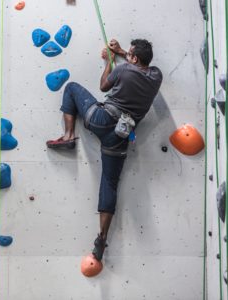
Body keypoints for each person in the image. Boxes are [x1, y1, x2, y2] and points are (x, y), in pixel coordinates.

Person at [46, 39, 163, 261]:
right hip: (121, 136)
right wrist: (120, 52)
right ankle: (102, 236)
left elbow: (103, 86)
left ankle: (69, 136)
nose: (126, 56)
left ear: (134, 58)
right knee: (109, 183)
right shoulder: (156, 76)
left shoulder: (122, 69)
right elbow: (138, 67)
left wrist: (109, 61)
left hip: (102, 119)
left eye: (129, 54)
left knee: (71, 88)